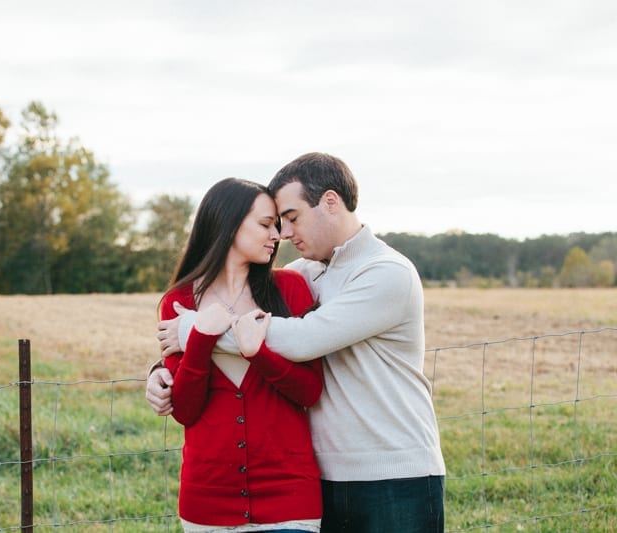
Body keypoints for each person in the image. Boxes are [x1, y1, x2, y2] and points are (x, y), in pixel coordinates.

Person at [148, 153, 446, 533]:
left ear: (330, 202)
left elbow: (302, 339)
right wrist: (163, 369)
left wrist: (193, 331)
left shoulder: (386, 273)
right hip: (327, 473)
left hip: (394, 472)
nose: (284, 234)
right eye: (275, 223)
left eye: (291, 217)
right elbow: (240, 309)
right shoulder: (304, 274)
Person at [156, 177, 324, 532]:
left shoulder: (290, 290)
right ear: (228, 224)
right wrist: (201, 335)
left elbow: (309, 391)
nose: (276, 235)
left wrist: (257, 353)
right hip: (207, 504)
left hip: (289, 498)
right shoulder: (179, 302)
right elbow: (185, 410)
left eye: (276, 225)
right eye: (265, 224)